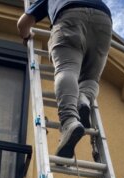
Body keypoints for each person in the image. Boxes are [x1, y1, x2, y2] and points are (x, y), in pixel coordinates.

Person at [17, 0, 112, 158]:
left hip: (70, 16)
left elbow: (22, 24)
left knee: (67, 69)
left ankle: (69, 122)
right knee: (90, 78)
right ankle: (83, 99)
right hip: (104, 20)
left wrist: (27, 36)